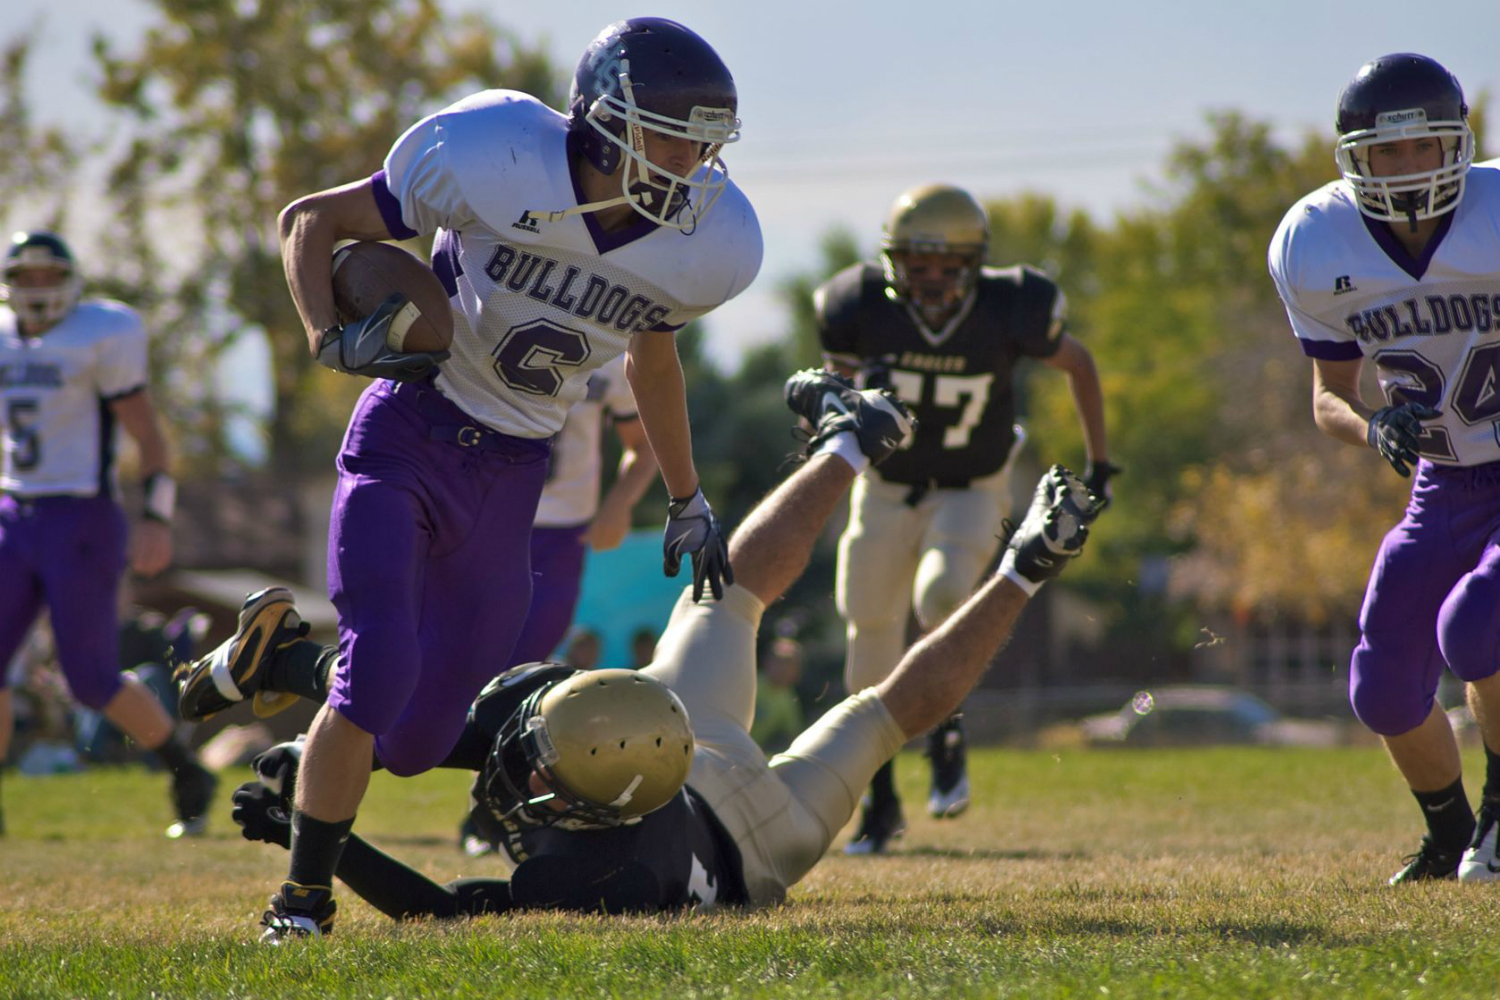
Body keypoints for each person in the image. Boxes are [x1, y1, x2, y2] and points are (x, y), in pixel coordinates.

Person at [172, 17, 760, 936]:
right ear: (608, 123)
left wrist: (688, 497)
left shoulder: (702, 244)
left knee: (414, 740)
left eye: (705, 141)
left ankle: (281, 656)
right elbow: (311, 221)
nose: (693, 161)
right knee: (377, 679)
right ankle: (302, 902)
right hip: (411, 433)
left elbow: (654, 365)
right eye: (675, 134)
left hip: (515, 470)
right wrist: (329, 335)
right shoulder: (494, 153)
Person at [222, 370, 1099, 930]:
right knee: (819, 664)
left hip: (768, 848)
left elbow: (443, 913)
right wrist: (317, 770)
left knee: (866, 700)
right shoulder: (577, 734)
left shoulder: (608, 876)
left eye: (542, 778)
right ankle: (932, 500)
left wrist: (320, 834)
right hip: (699, 751)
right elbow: (418, 735)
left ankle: (991, 537)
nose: (523, 773)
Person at [814, 183, 1113, 851]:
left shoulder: (1013, 307)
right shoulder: (854, 305)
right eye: (917, 266)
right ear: (893, 262)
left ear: (975, 263)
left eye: (947, 267)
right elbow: (833, 394)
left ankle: (945, 727)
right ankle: (882, 800)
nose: (931, 281)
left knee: (943, 593)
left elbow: (1080, 363)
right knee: (866, 635)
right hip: (885, 488)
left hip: (973, 487)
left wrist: (1099, 463)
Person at [1267, 52, 1500, 884]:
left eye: (1426, 148)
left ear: (1459, 147)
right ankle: (1451, 834)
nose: (1408, 170)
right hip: (1442, 476)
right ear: (1352, 160)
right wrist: (1372, 431)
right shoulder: (1313, 240)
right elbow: (1328, 395)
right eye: (1386, 154)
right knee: (1384, 685)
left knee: (1478, 624)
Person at [0, 230, 217, 838]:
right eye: (27, 276)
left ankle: (185, 769)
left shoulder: (99, 334)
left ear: (70, 282)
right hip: (14, 513)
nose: (38, 289)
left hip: (80, 517)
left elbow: (149, 440)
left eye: (50, 276)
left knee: (91, 680)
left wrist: (156, 518)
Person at [510, 353, 658, 665]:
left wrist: (618, 505)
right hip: (490, 515)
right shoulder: (498, 315)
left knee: (534, 647)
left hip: (564, 528)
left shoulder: (614, 354)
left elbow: (645, 445)